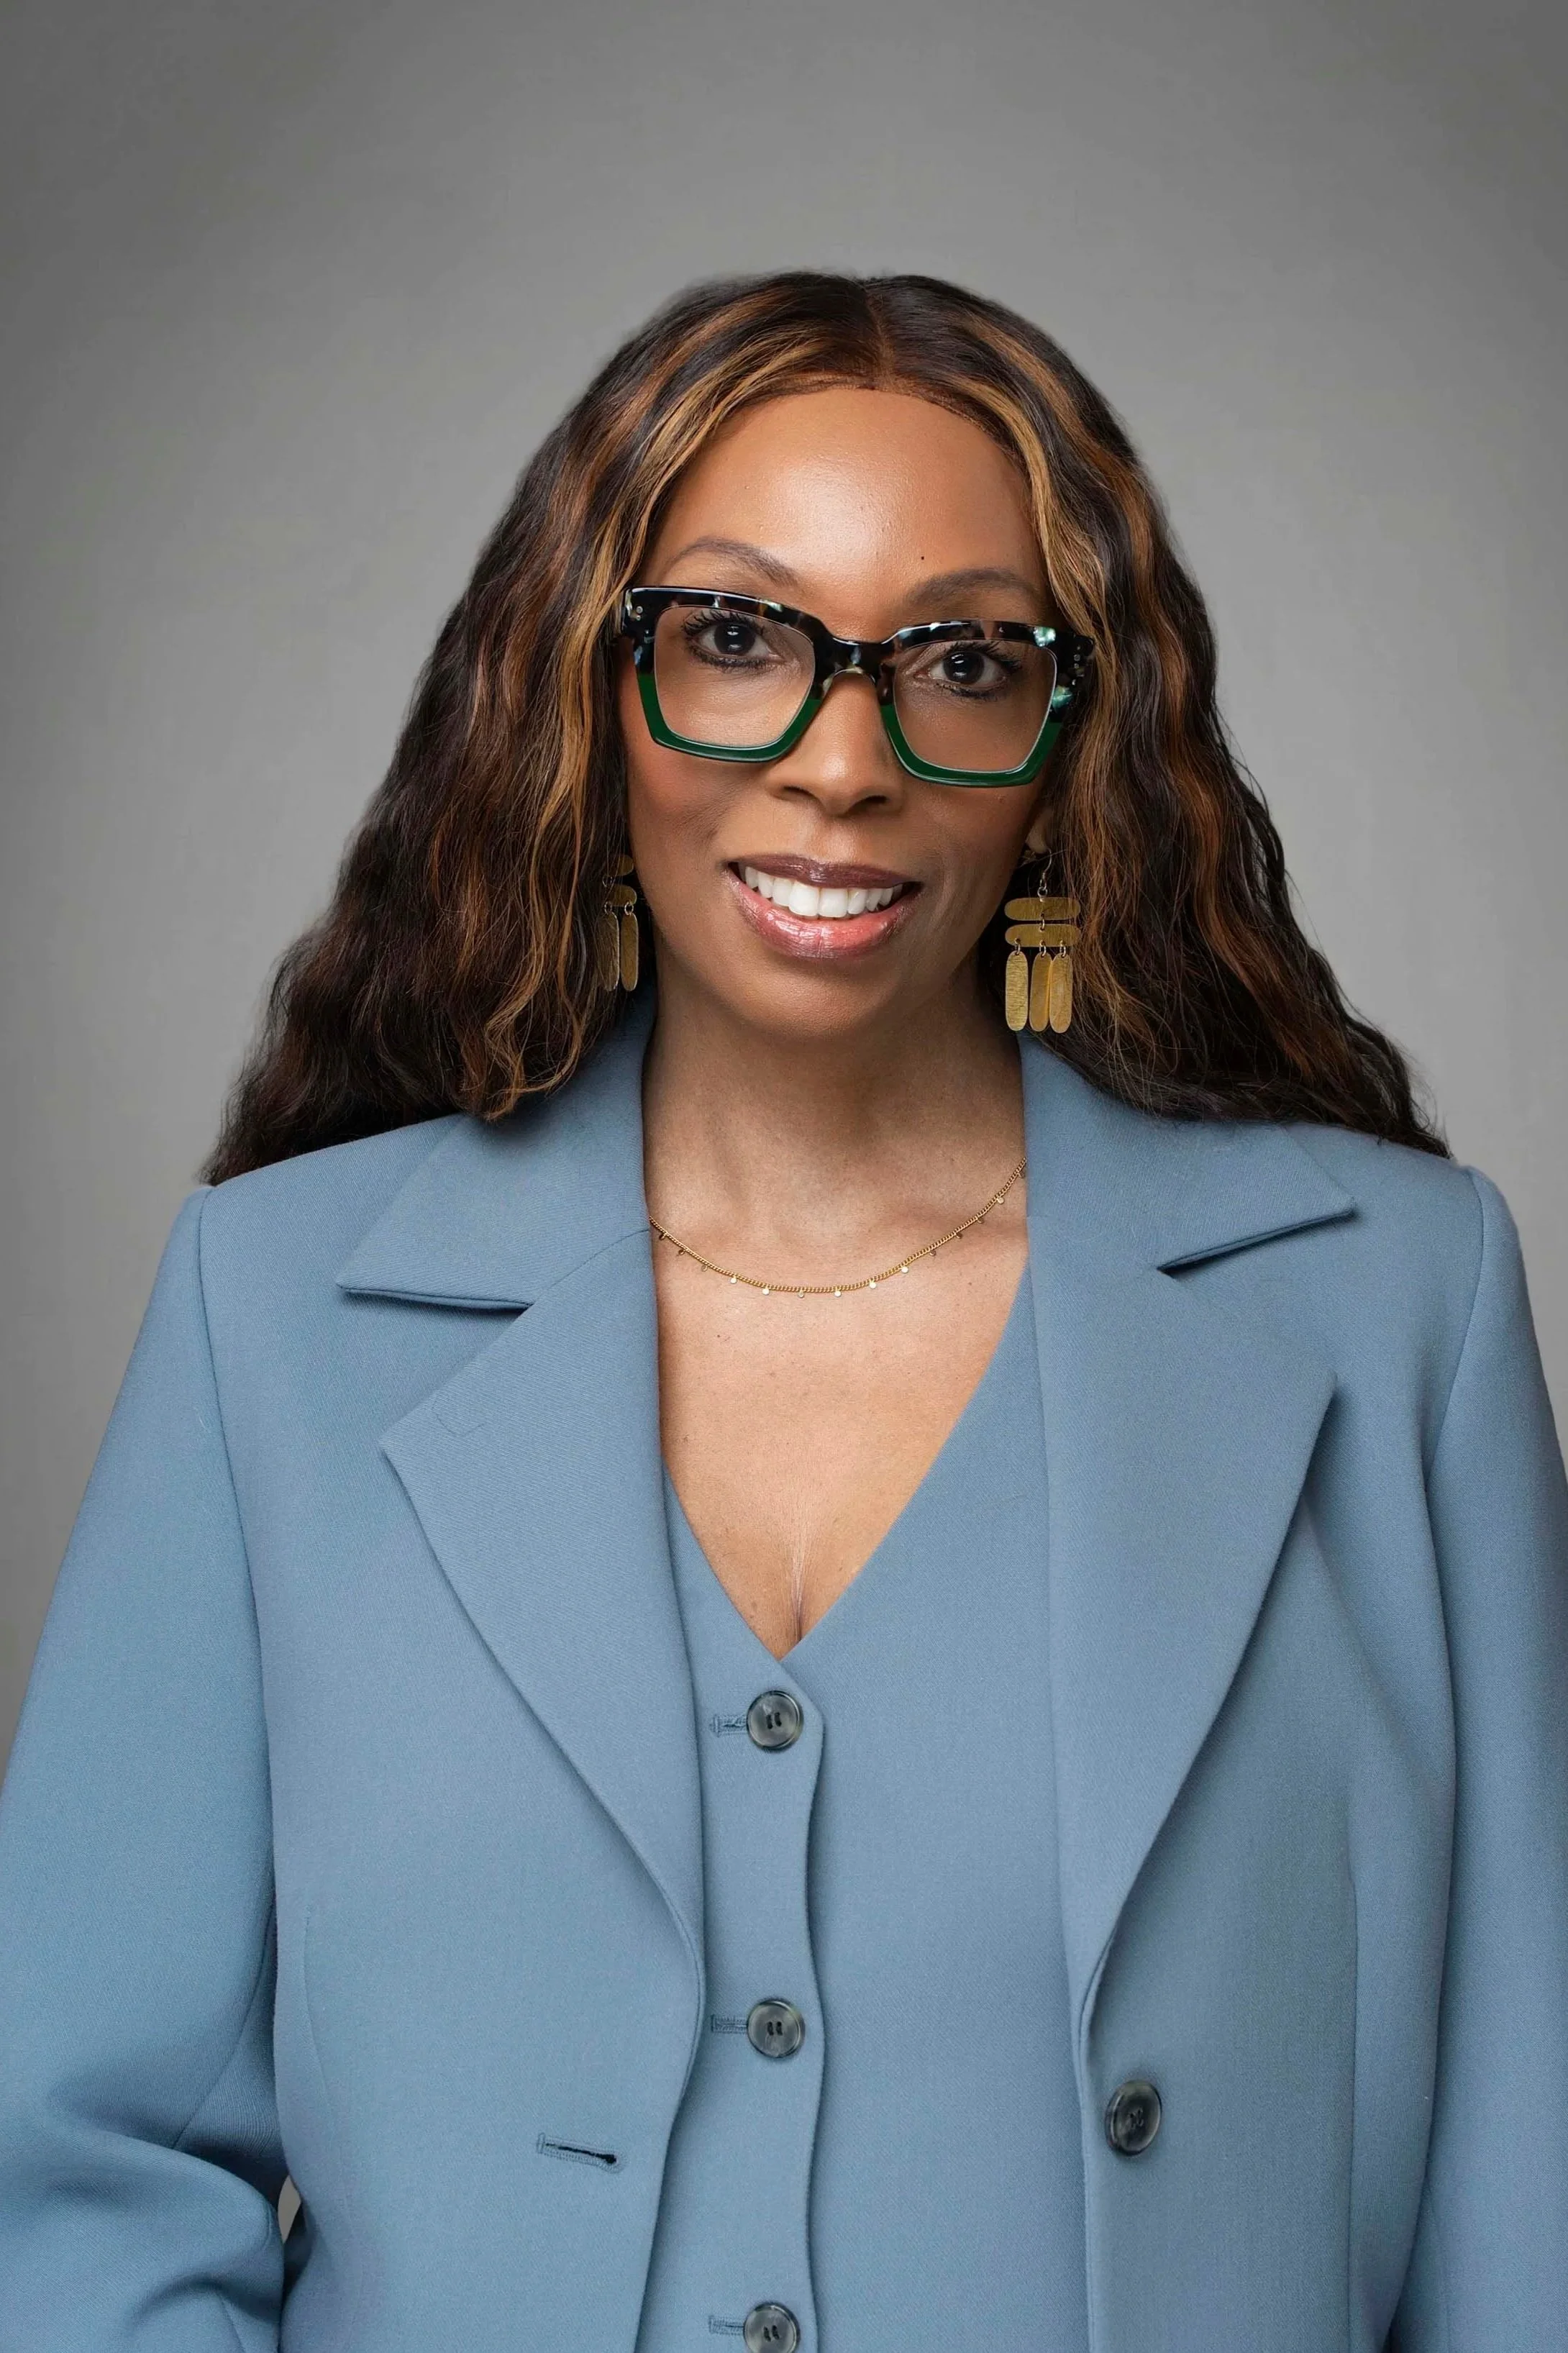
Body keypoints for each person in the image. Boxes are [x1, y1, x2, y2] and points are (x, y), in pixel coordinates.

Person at [0, 270, 1562, 2353]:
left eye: (962, 660)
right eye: (734, 638)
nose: (842, 762)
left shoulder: (1394, 1313)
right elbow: (73, 2166)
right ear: (588, 684)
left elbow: (1526, 2194)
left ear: (1070, 742)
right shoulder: (277, 1314)